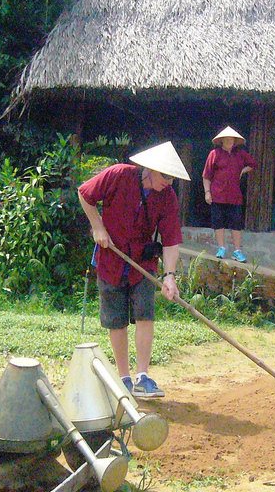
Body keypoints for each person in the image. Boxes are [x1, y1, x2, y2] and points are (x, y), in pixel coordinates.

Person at [78, 141, 190, 398]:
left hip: (143, 263)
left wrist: (169, 277)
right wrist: (98, 227)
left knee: (145, 315)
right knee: (116, 321)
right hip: (111, 258)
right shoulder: (118, 174)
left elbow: (171, 238)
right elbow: (85, 194)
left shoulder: (168, 196)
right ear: (149, 169)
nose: (168, 182)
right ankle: (123, 379)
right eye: (165, 176)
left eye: (172, 178)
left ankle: (142, 377)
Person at [202, 126, 257, 263]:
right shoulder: (214, 154)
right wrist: (207, 192)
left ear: (234, 141)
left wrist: (242, 171)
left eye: (231, 139)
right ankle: (221, 248)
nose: (229, 142)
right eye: (226, 140)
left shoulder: (241, 154)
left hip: (234, 195)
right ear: (221, 141)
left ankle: (237, 251)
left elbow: (253, 164)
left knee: (236, 223)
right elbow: (206, 175)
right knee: (218, 221)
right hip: (217, 194)